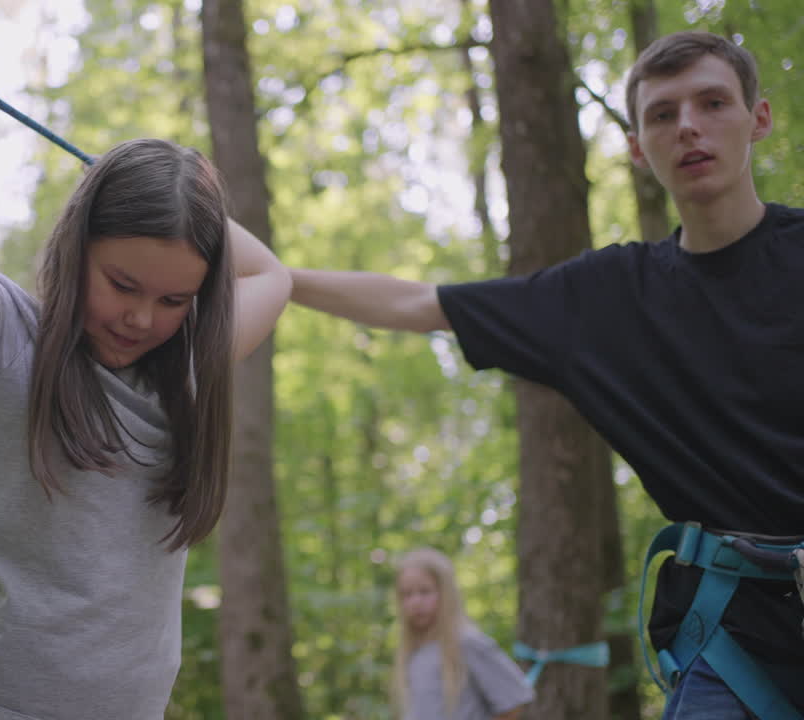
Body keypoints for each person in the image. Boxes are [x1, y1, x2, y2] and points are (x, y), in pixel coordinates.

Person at [289, 30, 803, 717]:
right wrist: (278, 278)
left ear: (758, 119)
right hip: (731, 641)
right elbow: (419, 303)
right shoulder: (608, 298)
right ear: (636, 147)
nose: (688, 126)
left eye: (712, 103)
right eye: (662, 114)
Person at [0, 41, 291, 720]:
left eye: (174, 299)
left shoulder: (186, 371)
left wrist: (177, 191)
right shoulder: (3, 341)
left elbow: (272, 274)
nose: (142, 317)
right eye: (122, 283)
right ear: (77, 245)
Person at [394, 548, 532, 720]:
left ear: (446, 593)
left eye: (425, 591)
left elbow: (514, 703)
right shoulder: (414, 651)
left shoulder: (467, 642)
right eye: (407, 594)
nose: (415, 602)